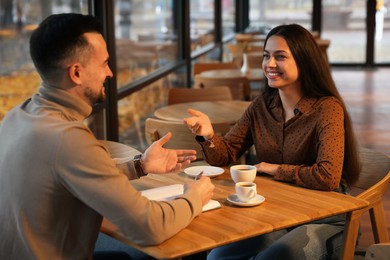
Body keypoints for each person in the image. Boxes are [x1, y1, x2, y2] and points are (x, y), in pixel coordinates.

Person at [0, 13, 214, 259]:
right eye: (104, 63)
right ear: (76, 73)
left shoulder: (17, 116)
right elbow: (149, 228)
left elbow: (66, 172)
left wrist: (140, 165)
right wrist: (193, 198)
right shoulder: (68, 138)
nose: (110, 72)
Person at [184, 23, 360, 259]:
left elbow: (328, 176)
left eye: (280, 57)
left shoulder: (327, 108)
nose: (270, 64)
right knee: (217, 256)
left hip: (326, 217)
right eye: (266, 56)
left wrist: (274, 169)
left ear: (304, 62)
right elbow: (224, 156)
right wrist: (208, 135)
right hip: (277, 213)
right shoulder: (261, 107)